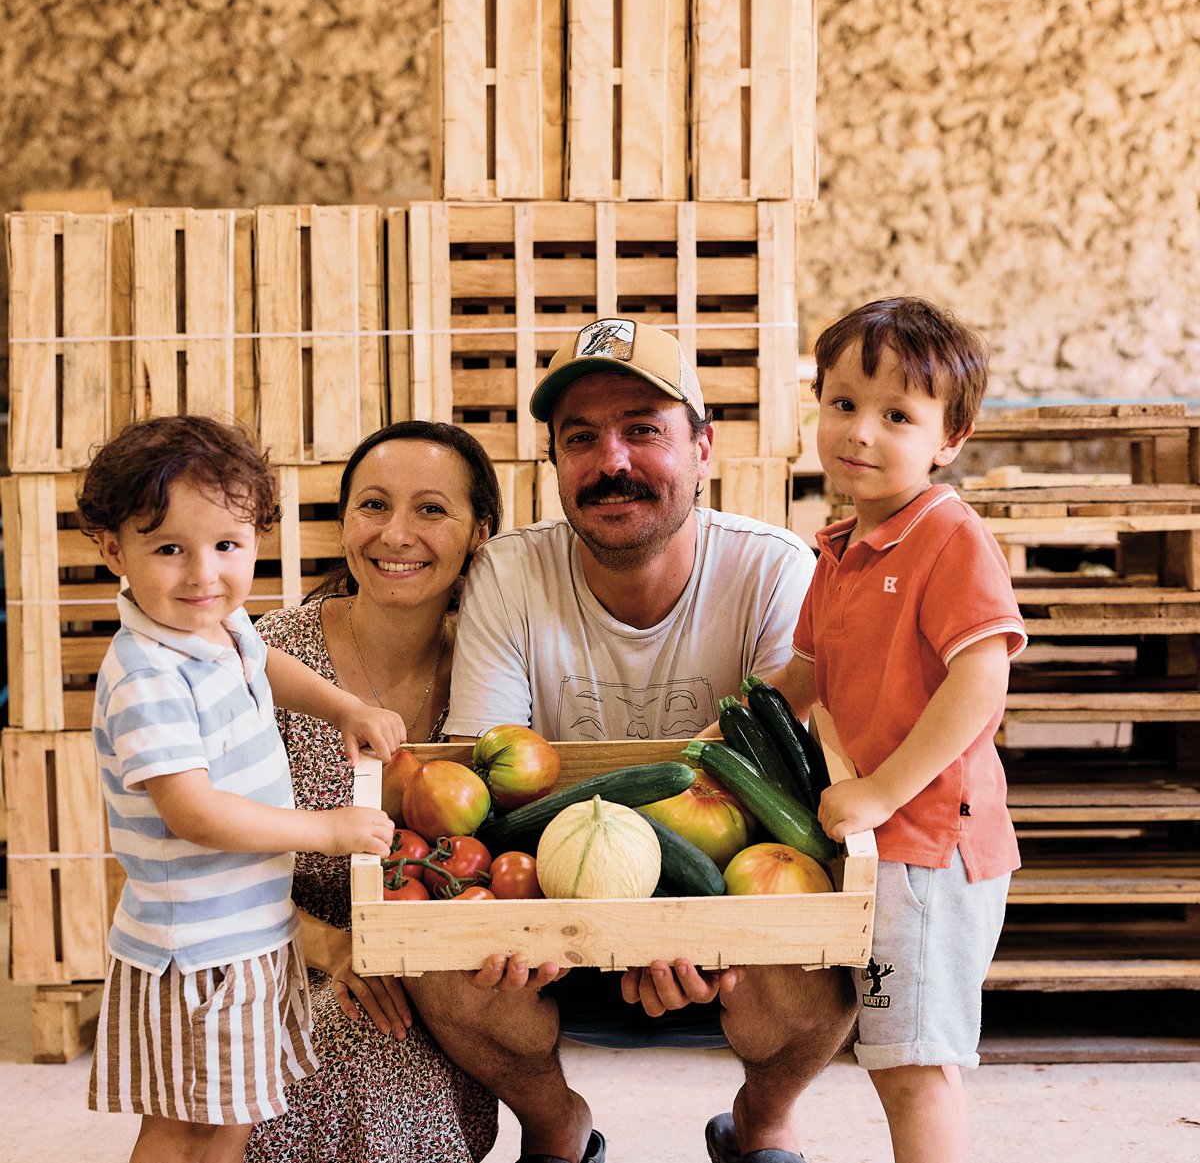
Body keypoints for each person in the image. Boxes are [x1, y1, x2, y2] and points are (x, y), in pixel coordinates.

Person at [404, 317, 857, 1163]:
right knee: (440, 959)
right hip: (549, 904)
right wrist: (556, 919)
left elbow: (786, 786)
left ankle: (765, 1123)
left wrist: (689, 917)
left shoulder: (776, 570)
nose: (610, 460)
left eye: (643, 429)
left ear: (703, 450)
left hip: (730, 911)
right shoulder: (509, 571)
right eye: (581, 438)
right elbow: (488, 784)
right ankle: (556, 1127)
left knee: (830, 944)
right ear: (554, 465)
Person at [77, 415, 401, 1163]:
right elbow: (191, 810)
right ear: (111, 548)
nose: (203, 574)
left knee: (234, 1118)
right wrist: (326, 829)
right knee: (180, 1124)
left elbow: (268, 664)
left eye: (227, 545)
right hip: (194, 952)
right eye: (168, 549)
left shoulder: (221, 627)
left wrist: (343, 705)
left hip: (248, 935)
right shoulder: (147, 673)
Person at [764, 297, 1027, 1163]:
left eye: (897, 416)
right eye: (843, 404)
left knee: (918, 1064)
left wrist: (879, 790)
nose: (860, 432)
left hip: (928, 846)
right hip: (884, 838)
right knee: (895, 1057)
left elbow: (982, 676)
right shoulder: (842, 545)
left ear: (949, 438)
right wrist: (723, 734)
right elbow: (803, 674)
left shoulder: (946, 534)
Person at [243, 421, 504, 1163]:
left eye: (431, 509)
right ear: (344, 519)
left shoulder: (494, 670)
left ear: (478, 531)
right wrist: (332, 945)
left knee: (391, 1031)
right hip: (283, 952)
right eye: (373, 505)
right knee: (357, 1036)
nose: (396, 534)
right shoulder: (275, 653)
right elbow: (209, 841)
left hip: (447, 974)